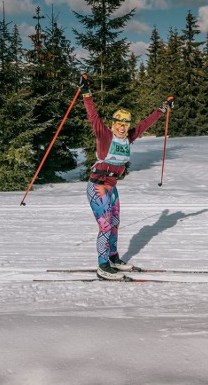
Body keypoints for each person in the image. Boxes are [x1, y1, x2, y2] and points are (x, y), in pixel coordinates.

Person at [79, 75, 171, 280]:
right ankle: (103, 265)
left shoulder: (128, 137)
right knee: (105, 224)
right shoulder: (104, 135)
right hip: (97, 186)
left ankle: (113, 258)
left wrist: (163, 108)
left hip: (111, 187)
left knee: (115, 222)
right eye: (119, 123)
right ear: (113, 124)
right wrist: (86, 92)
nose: (122, 127)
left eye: (126, 123)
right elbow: (92, 115)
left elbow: (146, 123)